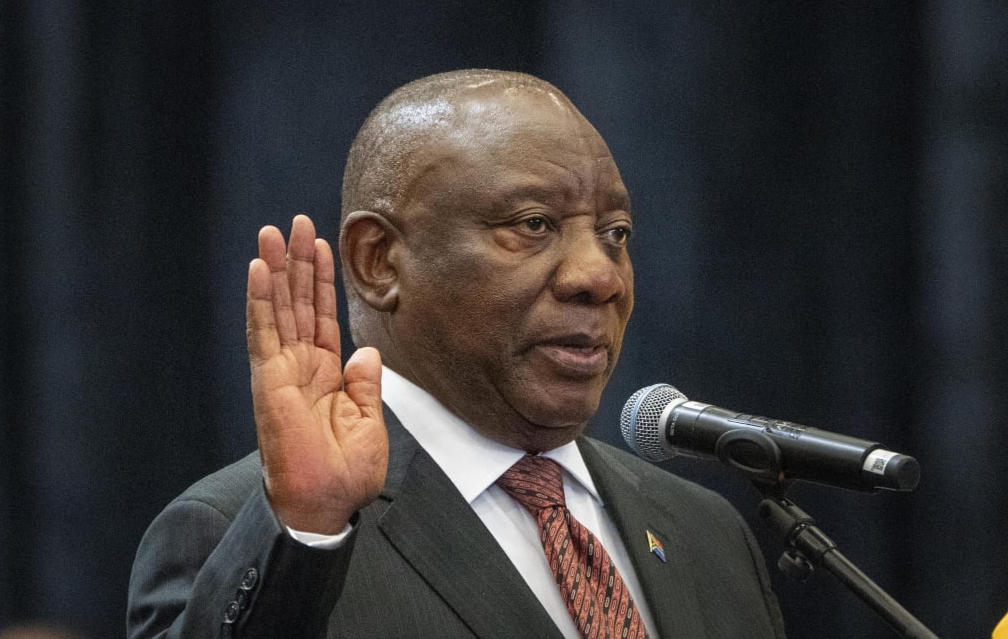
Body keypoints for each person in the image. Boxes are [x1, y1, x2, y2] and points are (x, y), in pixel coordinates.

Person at [127, 69, 786, 638]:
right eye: (533, 226)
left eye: (615, 233)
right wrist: (303, 533)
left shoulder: (707, 534)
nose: (601, 276)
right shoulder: (257, 533)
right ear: (379, 261)